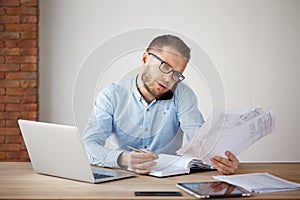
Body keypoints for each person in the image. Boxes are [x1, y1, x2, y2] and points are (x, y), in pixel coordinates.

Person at [82, 34, 239, 175]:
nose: (168, 78)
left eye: (176, 74)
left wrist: (222, 160)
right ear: (145, 59)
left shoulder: (184, 96)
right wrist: (124, 159)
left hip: (169, 180)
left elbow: (202, 143)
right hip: (123, 178)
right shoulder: (111, 96)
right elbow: (88, 146)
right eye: (165, 67)